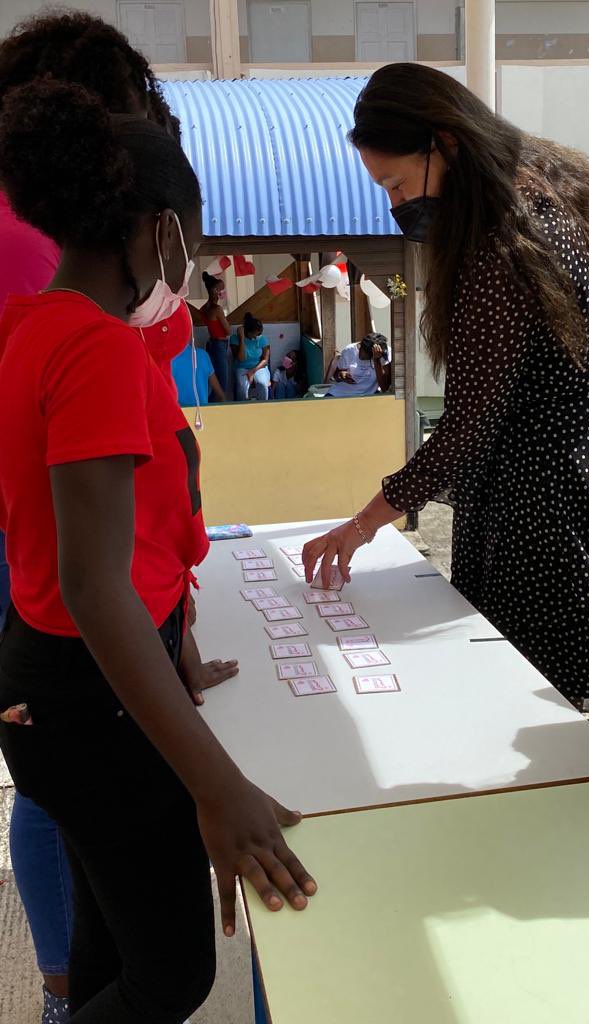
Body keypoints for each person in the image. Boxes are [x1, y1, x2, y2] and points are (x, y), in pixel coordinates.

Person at [0, 79, 315, 1023]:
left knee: (108, 952)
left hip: (49, 680)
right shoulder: (93, 347)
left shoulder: (26, 327)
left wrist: (172, 637)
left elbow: (86, 546)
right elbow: (98, 590)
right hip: (92, 698)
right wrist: (219, 787)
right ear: (161, 231)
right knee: (171, 975)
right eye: (194, 238)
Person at [303, 63, 589, 714]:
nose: (395, 205)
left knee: (531, 721)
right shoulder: (548, 180)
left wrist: (362, 526)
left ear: (444, 143)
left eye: (395, 181)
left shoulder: (498, 246)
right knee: (557, 726)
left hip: (542, 530)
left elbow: (469, 424)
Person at [327, 333, 391, 398]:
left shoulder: (383, 353)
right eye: (360, 349)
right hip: (342, 393)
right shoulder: (349, 350)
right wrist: (340, 374)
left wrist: (377, 361)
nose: (360, 356)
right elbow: (336, 376)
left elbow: (384, 387)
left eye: (365, 357)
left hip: (368, 395)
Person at [201, 271, 231, 398]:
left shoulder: (204, 308)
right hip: (219, 344)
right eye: (220, 289)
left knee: (213, 379)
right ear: (214, 290)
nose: (222, 292)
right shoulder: (217, 309)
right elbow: (228, 330)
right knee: (222, 381)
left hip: (211, 343)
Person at [172, 342, 226, 406]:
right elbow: (220, 395)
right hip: (202, 413)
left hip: (179, 413)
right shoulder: (203, 356)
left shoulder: (167, 360)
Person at [234, 313, 271, 401]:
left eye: (258, 334)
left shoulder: (262, 339)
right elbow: (241, 358)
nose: (256, 337)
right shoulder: (235, 339)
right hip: (242, 367)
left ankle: (263, 409)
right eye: (254, 334)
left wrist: (252, 371)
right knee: (242, 389)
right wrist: (242, 339)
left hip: (259, 367)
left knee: (262, 385)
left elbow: (265, 360)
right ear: (247, 332)